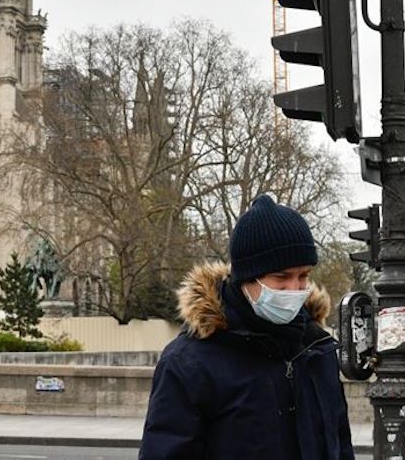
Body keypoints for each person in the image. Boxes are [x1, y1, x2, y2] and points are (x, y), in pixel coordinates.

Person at [140, 194, 354, 459]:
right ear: (245, 278)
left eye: (303, 276)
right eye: (281, 277)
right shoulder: (188, 363)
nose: (296, 289)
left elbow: (340, 445)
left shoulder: (317, 349)